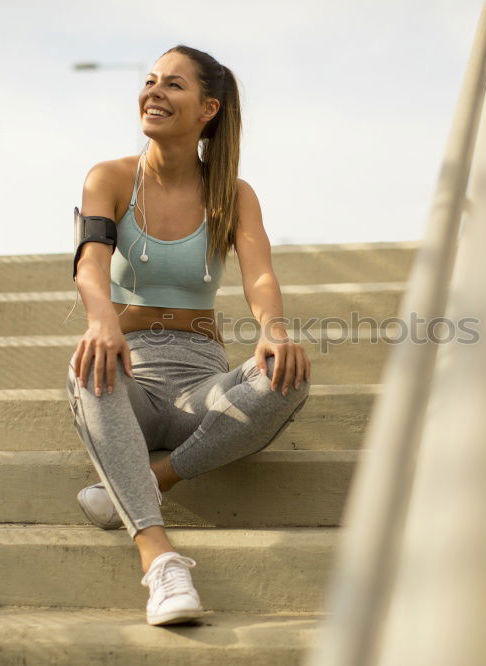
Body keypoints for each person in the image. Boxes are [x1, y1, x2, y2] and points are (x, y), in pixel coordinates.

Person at [64, 44, 312, 627]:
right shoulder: (110, 177)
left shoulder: (234, 192)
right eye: (150, 80)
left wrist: (273, 330)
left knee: (288, 376)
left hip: (203, 382)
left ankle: (149, 479)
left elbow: (260, 273)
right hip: (132, 375)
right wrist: (101, 319)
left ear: (208, 108)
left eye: (174, 85)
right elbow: (90, 263)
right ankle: (159, 558)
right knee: (87, 368)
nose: (154, 91)